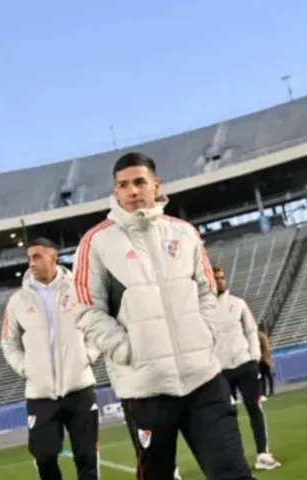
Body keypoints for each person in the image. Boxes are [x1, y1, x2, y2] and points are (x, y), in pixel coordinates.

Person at [74, 152, 254, 480]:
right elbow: (86, 309)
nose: (132, 191)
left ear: (156, 185)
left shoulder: (184, 233)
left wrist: (206, 332)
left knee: (233, 473)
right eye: (123, 185)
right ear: (115, 192)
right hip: (146, 390)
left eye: (140, 182)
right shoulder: (96, 242)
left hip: (204, 380)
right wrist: (127, 350)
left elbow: (206, 290)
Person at [1, 238, 101, 480]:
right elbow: (8, 342)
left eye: (37, 257)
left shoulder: (79, 288)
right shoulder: (17, 301)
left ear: (53, 257)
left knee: (86, 456)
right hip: (40, 394)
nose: (31, 263)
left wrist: (88, 355)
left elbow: (98, 325)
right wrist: (27, 368)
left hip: (79, 388)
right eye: (29, 258)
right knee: (44, 456)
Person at [212, 265, 281, 470]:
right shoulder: (202, 309)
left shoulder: (238, 303)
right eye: (216, 278)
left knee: (255, 409)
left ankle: (263, 454)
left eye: (222, 277)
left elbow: (252, 330)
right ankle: (234, 460)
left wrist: (254, 358)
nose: (220, 281)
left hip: (245, 365)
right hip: (221, 371)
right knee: (225, 417)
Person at [257, 330, 275, 400]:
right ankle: (268, 392)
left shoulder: (259, 336)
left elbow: (265, 348)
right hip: (264, 359)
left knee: (264, 377)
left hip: (263, 359)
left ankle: (265, 392)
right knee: (266, 376)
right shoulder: (263, 335)